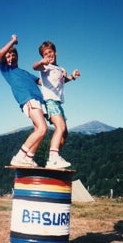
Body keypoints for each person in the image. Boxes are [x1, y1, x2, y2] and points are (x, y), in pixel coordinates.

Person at [0, 34, 47, 167]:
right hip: (29, 100)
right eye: (8, 56)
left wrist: (63, 78)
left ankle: (28, 158)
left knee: (39, 131)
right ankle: (19, 156)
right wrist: (13, 41)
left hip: (38, 100)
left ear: (17, 57)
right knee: (43, 128)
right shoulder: (6, 70)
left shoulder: (24, 72)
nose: (10, 57)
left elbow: (43, 82)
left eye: (13, 55)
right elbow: (0, 53)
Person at [33, 41, 80, 169]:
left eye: (50, 52)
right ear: (43, 56)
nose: (48, 55)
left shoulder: (60, 69)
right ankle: (53, 158)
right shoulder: (45, 66)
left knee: (65, 133)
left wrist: (72, 77)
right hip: (49, 101)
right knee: (60, 127)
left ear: (55, 52)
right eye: (45, 54)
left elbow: (62, 81)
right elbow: (35, 67)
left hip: (58, 103)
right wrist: (42, 62)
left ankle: (55, 156)